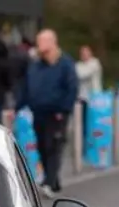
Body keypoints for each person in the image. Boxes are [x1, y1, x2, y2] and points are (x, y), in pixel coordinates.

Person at [15, 29, 79, 198]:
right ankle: (53, 180)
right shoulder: (35, 65)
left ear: (52, 42)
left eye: (42, 41)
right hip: (38, 111)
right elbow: (27, 86)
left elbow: (72, 88)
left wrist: (64, 109)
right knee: (42, 146)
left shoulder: (65, 64)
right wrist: (18, 106)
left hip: (56, 113)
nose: (39, 45)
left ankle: (49, 182)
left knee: (54, 146)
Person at [75, 45, 103, 153]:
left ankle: (95, 146)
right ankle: (83, 147)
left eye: (86, 53)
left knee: (94, 123)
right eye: (82, 53)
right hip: (82, 98)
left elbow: (82, 75)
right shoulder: (78, 65)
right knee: (82, 124)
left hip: (95, 99)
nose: (84, 55)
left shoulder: (95, 63)